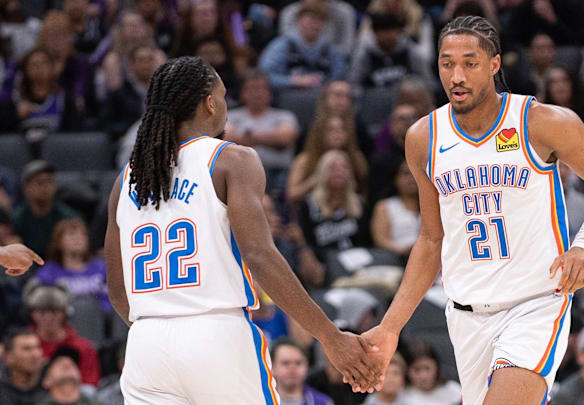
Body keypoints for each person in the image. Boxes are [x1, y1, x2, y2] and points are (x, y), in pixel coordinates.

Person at [361, 15, 584, 405]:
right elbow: (431, 239)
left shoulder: (541, 122)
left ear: (494, 64)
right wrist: (391, 326)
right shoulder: (423, 138)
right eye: (447, 63)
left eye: (470, 62)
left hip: (535, 304)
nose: (457, 75)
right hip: (465, 316)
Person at [103, 56, 379, 404]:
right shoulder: (231, 159)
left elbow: (117, 289)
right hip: (215, 334)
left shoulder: (126, 179)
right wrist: (331, 337)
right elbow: (260, 256)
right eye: (224, 96)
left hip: (146, 342)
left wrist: (162, 329)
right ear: (210, 103)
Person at [23, 280, 101, 386]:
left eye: (55, 311)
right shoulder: (22, 346)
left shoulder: (83, 348)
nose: (48, 317)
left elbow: (90, 384)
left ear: (65, 313)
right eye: (41, 312)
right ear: (31, 313)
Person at [271, 338, 334, 405]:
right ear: (272, 367)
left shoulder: (323, 402)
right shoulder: (261, 400)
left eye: (298, 363)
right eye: (285, 363)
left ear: (307, 366)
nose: (292, 368)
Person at [403, 341, 461, 405]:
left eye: (427, 368)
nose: (423, 376)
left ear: (437, 367)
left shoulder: (455, 392)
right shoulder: (400, 395)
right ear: (406, 370)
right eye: (417, 370)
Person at [0, 328, 47, 405]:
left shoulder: (53, 386)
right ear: (8, 357)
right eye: (26, 349)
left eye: (38, 347)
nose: (35, 354)